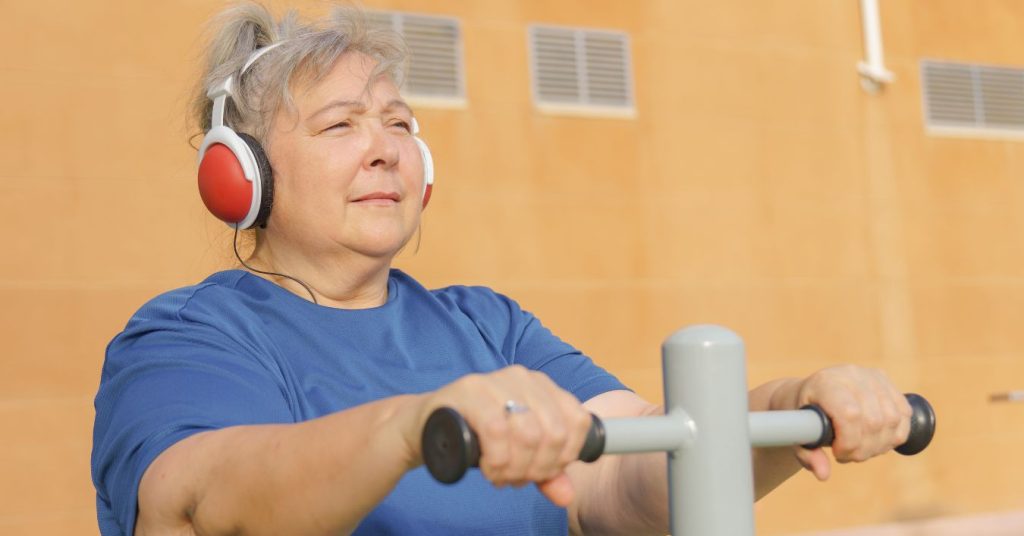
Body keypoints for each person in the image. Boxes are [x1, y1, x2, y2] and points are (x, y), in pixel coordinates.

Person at [90, 3, 914, 535]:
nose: (384, 148)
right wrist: (412, 430)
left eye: (399, 123)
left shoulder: (487, 325)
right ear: (240, 174)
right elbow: (198, 505)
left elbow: (629, 478)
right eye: (340, 126)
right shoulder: (187, 338)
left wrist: (792, 403)